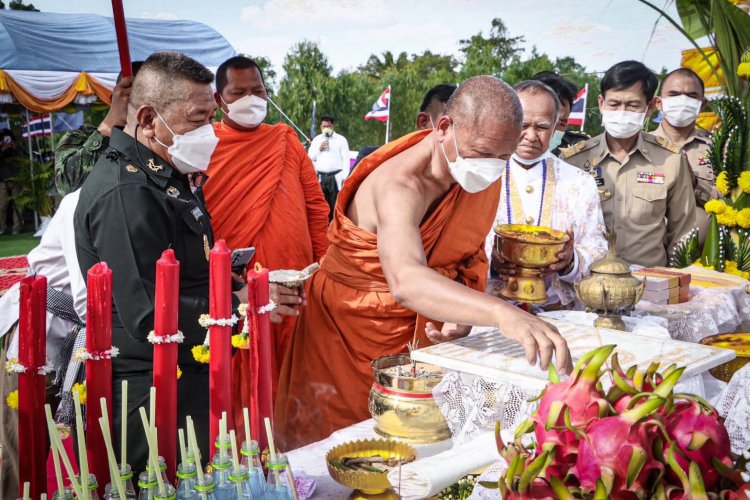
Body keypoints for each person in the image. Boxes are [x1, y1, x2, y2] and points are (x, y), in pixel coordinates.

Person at [275, 76, 572, 451]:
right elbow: (407, 280)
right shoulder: (398, 183)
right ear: (443, 127)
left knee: (418, 449)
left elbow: (463, 256)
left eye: (504, 156)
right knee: (345, 450)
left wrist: (460, 309)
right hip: (350, 329)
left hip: (423, 338)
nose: (493, 167)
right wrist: (502, 313)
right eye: (482, 152)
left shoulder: (479, 169)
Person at [75, 51, 244, 469]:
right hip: (148, 394)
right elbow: (150, 313)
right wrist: (242, 309)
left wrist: (231, 283)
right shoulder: (128, 193)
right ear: (149, 119)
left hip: (185, 374)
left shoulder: (164, 173)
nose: (211, 132)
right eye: (198, 119)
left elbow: (188, 270)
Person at [203, 55, 328, 440]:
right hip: (238, 293)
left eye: (257, 91)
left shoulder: (285, 140)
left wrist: (324, 269)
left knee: (294, 378)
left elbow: (315, 207)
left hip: (296, 289)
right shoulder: (203, 146)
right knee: (244, 382)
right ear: (220, 100)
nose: (251, 99)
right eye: (239, 92)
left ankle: (295, 450)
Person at [562, 60, 696, 267]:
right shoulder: (574, 160)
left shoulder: (670, 160)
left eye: (632, 105)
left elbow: (683, 232)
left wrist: (672, 283)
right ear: (601, 103)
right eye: (614, 104)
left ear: (649, 107)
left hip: (649, 281)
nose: (622, 112)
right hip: (589, 280)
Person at [487, 81, 607, 309]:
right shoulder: (484, 174)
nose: (531, 136)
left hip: (558, 314)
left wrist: (570, 262)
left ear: (556, 127)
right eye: (522, 125)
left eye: (541, 127)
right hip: (490, 312)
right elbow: (461, 246)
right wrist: (491, 262)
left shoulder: (580, 182)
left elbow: (598, 252)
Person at [55, 62, 144, 196]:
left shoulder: (172, 141)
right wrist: (114, 119)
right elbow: (70, 187)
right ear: (115, 98)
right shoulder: (80, 139)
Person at [653, 68, 713, 240]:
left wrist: (694, 184)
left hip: (702, 255)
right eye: (674, 94)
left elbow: (733, 203)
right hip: (648, 249)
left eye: (691, 96)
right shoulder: (640, 146)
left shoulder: (719, 148)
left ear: (702, 104)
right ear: (658, 103)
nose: (682, 100)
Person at [531, 71, 589, 156]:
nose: (553, 130)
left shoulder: (578, 148)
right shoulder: (506, 147)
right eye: (544, 123)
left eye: (561, 123)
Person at [308, 115, 350, 219]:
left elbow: (346, 158)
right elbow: (309, 157)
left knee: (335, 205)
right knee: (321, 205)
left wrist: (346, 176)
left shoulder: (341, 139)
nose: (326, 128)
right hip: (321, 177)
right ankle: (324, 229)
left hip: (335, 177)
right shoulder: (317, 140)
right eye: (324, 126)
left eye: (329, 125)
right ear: (320, 127)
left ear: (333, 126)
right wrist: (319, 148)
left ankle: (335, 229)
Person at [0, 129, 22, 235]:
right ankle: (1, 227)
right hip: (2, 182)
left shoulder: (16, 150)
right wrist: (3, 149)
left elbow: (23, 159)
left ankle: (16, 227)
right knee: (2, 206)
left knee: (17, 205)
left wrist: (14, 148)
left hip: (16, 180)